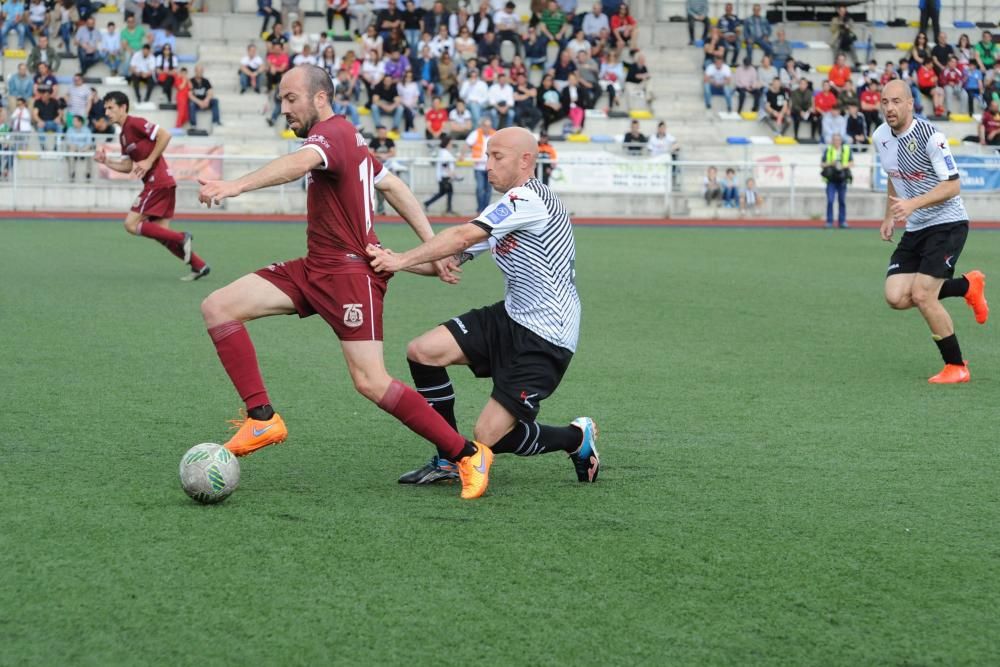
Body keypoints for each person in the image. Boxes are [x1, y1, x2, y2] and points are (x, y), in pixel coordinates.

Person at [196, 65, 493, 500]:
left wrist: (235, 186)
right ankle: (262, 418)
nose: (284, 109)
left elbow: (298, 164)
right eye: (281, 100)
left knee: (371, 381)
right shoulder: (350, 139)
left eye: (291, 98)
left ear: (320, 98)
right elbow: (394, 187)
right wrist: (433, 248)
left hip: (352, 277)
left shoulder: (331, 134)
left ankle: (467, 454)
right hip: (315, 267)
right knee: (218, 306)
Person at [367, 126, 598, 488]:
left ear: (525, 160)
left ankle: (575, 438)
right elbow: (446, 259)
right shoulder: (504, 208)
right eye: (486, 156)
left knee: (487, 435)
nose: (486, 165)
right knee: (422, 352)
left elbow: (461, 236)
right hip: (511, 317)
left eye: (496, 157)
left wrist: (399, 261)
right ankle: (448, 457)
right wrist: (390, 258)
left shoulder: (530, 200)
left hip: (547, 335)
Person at [874, 79, 988, 383]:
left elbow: (953, 185)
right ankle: (967, 287)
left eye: (896, 101)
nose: (890, 108)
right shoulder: (880, 137)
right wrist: (889, 216)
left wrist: (913, 204)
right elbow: (892, 176)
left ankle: (956, 366)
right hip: (916, 226)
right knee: (896, 297)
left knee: (923, 295)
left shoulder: (930, 137)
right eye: (885, 102)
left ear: (911, 103)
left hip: (947, 223)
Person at [94, 91, 211, 281]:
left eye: (110, 107)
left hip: (157, 182)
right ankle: (199, 265)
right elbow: (127, 166)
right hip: (162, 184)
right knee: (162, 234)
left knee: (131, 224)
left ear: (123, 107)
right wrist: (106, 161)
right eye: (105, 108)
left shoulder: (135, 122)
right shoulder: (123, 135)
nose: (106, 112)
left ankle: (182, 237)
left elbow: (165, 135)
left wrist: (148, 161)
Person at [821, 133, 851, 228]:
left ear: (841, 141)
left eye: (838, 140)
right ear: (832, 141)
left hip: (842, 179)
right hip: (831, 180)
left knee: (842, 201)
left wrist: (842, 166)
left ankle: (842, 222)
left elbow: (852, 163)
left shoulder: (846, 149)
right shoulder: (828, 149)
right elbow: (822, 164)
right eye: (834, 140)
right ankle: (829, 221)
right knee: (830, 200)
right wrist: (831, 163)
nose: (836, 142)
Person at [465, 116, 494, 213]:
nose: (487, 128)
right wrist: (461, 155)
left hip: (491, 167)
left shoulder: (494, 134)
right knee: (480, 189)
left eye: (489, 126)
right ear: (482, 126)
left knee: (489, 190)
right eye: (486, 126)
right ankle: (480, 209)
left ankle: (485, 210)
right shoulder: (476, 133)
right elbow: (467, 144)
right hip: (479, 167)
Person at [423, 135, 456, 214]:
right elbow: (444, 164)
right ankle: (449, 209)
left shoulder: (444, 152)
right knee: (449, 192)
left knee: (443, 192)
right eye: (450, 143)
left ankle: (428, 203)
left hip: (444, 176)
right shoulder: (444, 152)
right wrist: (450, 173)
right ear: (447, 143)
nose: (451, 145)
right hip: (445, 176)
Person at [64, 114, 93, 181]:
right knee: (71, 152)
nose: (73, 122)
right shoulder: (70, 130)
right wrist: (76, 148)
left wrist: (83, 149)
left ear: (80, 122)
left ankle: (88, 173)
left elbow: (89, 142)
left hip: (84, 148)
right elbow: (69, 142)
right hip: (74, 148)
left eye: (75, 121)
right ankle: (72, 172)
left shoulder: (87, 130)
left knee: (90, 153)